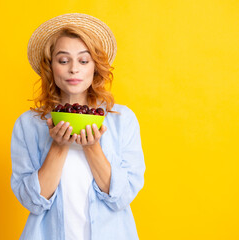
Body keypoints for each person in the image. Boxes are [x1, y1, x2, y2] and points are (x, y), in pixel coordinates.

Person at [10, 13, 146, 240]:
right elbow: (32, 201)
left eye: (83, 61)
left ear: (95, 67)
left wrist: (92, 147)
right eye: (63, 60)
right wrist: (58, 146)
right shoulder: (28, 125)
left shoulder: (122, 120)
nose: (74, 69)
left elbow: (122, 197)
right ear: (50, 67)